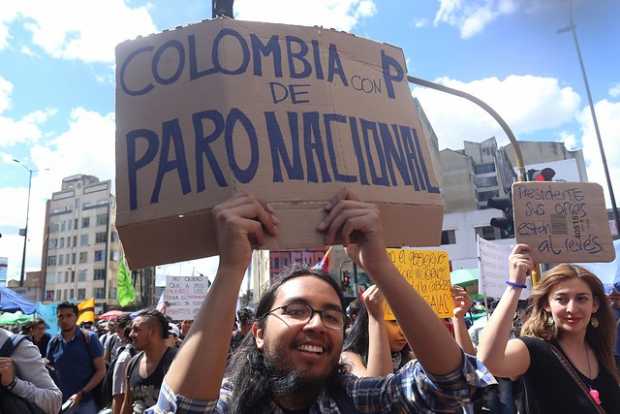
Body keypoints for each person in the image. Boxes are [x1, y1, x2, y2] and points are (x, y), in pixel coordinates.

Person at [149, 190, 493, 413]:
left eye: (331, 316)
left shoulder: (354, 400)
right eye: (296, 310)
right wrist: (230, 267)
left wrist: (380, 265)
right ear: (258, 333)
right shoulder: (232, 403)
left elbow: (453, 385)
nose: (316, 324)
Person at [478, 244, 620, 413]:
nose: (572, 308)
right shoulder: (531, 350)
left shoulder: (604, 353)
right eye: (561, 299)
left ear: (595, 305)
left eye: (581, 298)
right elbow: (487, 363)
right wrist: (514, 286)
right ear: (546, 304)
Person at [46, 301, 106, 413]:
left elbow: (101, 370)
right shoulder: (53, 343)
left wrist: (82, 393)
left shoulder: (89, 338)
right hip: (61, 403)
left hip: (86, 402)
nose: (64, 320)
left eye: (69, 315)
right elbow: (49, 369)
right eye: (61, 316)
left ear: (76, 317)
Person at [341, 285, 411, 377]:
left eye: (406, 323)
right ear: (368, 321)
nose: (403, 332)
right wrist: (376, 318)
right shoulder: (349, 358)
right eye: (394, 322)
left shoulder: (411, 359)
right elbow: (378, 383)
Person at [121, 309, 177, 414]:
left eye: (136, 329)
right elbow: (127, 403)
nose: (131, 334)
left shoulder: (177, 363)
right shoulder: (132, 364)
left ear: (152, 332)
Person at [0, 327, 62, 414]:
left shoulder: (19, 346)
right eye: (39, 328)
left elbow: (55, 402)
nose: (40, 331)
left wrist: (13, 383)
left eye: (42, 328)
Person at [609, 287, 620, 377]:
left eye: (617, 298)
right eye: (613, 298)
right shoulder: (609, 311)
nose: (614, 301)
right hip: (612, 351)